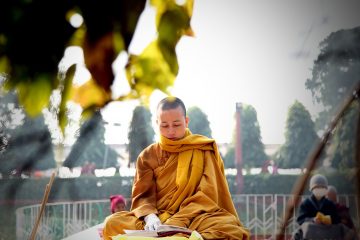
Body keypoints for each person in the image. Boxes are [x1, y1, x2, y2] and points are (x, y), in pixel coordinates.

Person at [103, 97, 250, 240]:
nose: (171, 131)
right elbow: (143, 196)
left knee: (229, 228)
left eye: (176, 124)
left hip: (197, 216)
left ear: (186, 122)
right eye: (164, 126)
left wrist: (179, 220)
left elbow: (207, 195)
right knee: (112, 223)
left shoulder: (203, 149)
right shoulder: (147, 156)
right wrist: (150, 217)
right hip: (159, 220)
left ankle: (178, 235)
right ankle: (183, 237)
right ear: (157, 123)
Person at [293, 174, 340, 240]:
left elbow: (337, 219)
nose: (320, 190)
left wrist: (328, 220)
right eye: (317, 187)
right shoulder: (305, 204)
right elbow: (300, 220)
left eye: (322, 187)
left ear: (326, 189)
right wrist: (312, 220)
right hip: (311, 234)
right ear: (312, 189)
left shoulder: (330, 204)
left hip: (326, 232)